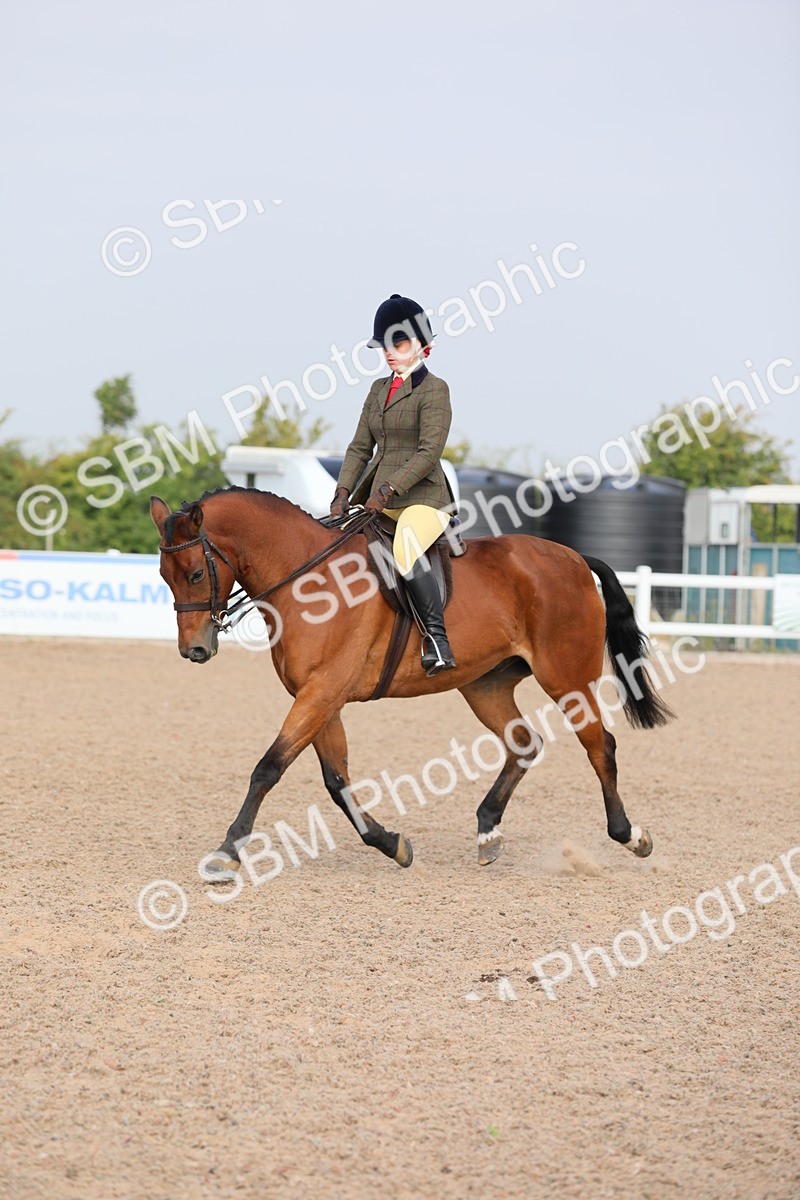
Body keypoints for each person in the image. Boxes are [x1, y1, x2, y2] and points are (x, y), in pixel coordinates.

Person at [331, 293, 457, 675]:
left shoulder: (434, 389)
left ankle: (437, 638)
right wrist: (341, 493)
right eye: (384, 345)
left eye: (397, 344)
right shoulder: (376, 390)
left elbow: (429, 452)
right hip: (376, 499)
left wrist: (387, 490)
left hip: (424, 498)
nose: (388, 352)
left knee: (404, 547)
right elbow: (359, 447)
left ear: (422, 346)